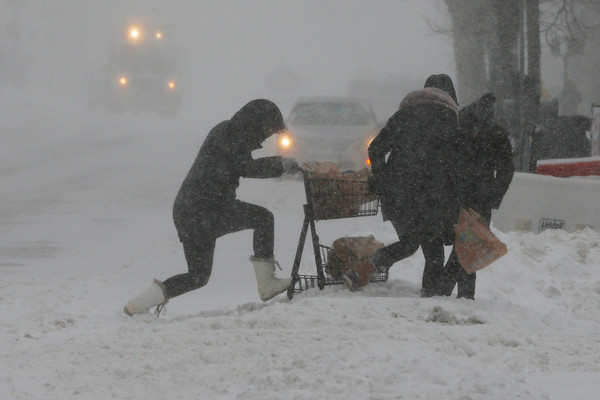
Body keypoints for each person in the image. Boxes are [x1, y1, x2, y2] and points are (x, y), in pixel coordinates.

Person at [124, 99, 298, 316]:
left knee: (198, 276)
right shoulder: (231, 136)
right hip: (207, 209)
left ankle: (137, 305)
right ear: (257, 124)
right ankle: (267, 284)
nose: (266, 138)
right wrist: (281, 164)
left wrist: (279, 163)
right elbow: (244, 166)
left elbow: (240, 164)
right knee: (263, 219)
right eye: (267, 132)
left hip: (190, 210)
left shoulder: (228, 131)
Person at [368, 74, 463, 297]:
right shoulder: (450, 119)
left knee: (410, 241)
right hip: (433, 194)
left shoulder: (403, 115)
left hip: (400, 192)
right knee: (433, 248)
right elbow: (458, 160)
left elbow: (376, 149)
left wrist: (383, 181)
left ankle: (369, 264)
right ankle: (430, 294)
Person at [440, 92, 515, 299]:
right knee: (469, 243)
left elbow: (445, 162)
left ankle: (456, 291)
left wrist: (447, 188)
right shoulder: (496, 132)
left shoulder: (458, 128)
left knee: (464, 242)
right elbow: (507, 168)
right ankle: (454, 291)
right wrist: (495, 194)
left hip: (456, 196)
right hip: (481, 198)